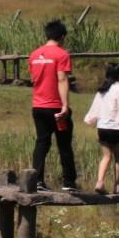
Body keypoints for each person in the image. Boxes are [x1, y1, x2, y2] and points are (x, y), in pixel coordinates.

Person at [27, 19, 77, 191]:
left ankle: (37, 180)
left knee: (42, 143)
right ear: (62, 37)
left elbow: (34, 79)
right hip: (55, 106)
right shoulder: (61, 54)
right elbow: (62, 78)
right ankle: (68, 182)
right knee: (64, 144)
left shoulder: (34, 55)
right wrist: (65, 106)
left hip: (38, 106)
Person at [85, 63, 119, 195]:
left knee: (106, 156)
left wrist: (92, 120)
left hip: (102, 127)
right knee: (118, 156)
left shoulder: (103, 89)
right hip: (115, 127)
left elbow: (95, 108)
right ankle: (117, 185)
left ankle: (100, 182)